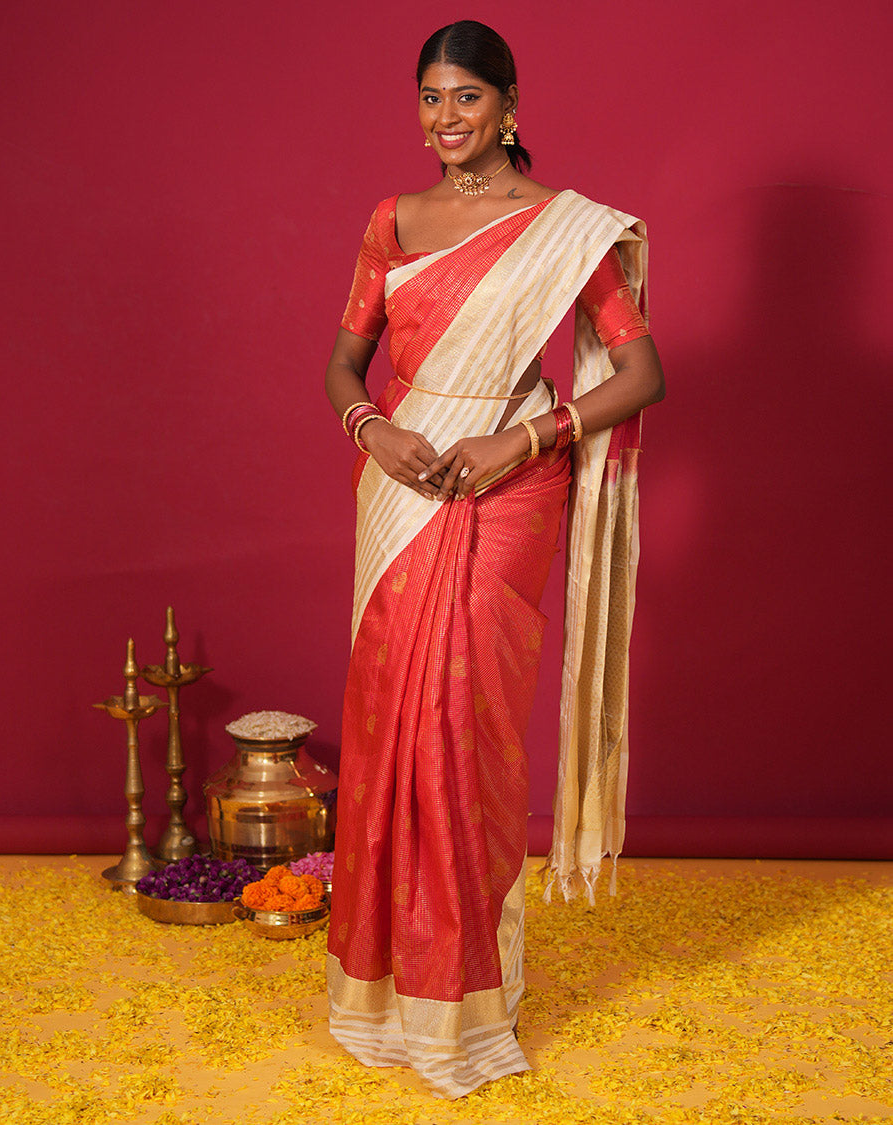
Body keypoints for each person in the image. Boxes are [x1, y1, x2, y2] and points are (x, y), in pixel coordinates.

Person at [323, 19, 665, 1099]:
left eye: (466, 98)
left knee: (464, 732)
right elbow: (343, 364)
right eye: (429, 98)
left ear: (510, 106)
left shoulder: (569, 231)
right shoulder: (393, 219)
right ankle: (379, 995)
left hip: (511, 483)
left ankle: (467, 1001)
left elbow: (641, 373)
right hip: (400, 484)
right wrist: (373, 429)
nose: (444, 119)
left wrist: (524, 436)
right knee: (386, 724)